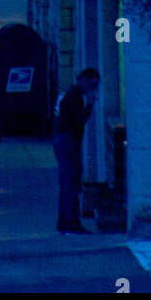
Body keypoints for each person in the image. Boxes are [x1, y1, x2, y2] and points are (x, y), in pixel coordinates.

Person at [53, 68, 100, 234]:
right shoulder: (75, 96)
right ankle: (70, 223)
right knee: (70, 181)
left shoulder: (68, 93)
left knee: (67, 182)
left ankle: (64, 223)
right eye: (92, 85)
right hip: (68, 140)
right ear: (84, 80)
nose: (93, 89)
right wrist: (90, 105)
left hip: (61, 139)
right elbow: (80, 120)